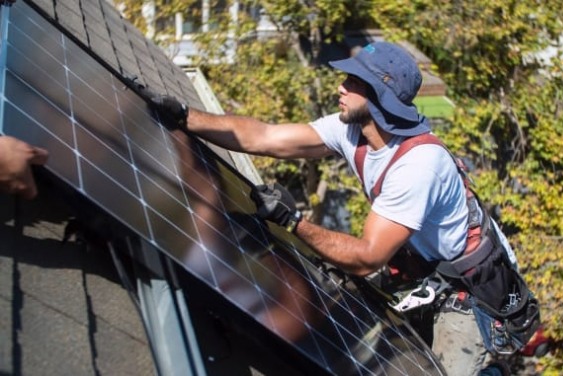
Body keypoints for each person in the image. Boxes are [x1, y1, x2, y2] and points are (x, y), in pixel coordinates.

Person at [143, 41, 522, 375]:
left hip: (470, 301)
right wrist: (185, 115)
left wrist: (293, 221)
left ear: (379, 96)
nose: (340, 87)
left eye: (353, 83)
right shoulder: (352, 129)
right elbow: (267, 137)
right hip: (425, 276)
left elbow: (367, 257)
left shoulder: (417, 165)